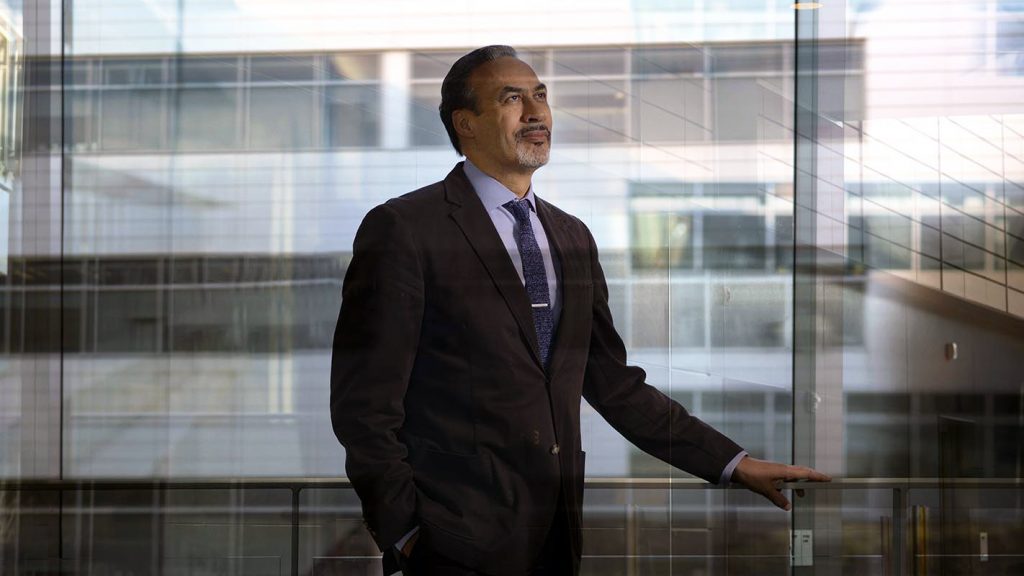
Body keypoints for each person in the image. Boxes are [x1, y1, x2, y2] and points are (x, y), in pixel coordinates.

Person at [331, 45, 830, 576]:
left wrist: (733, 464)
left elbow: (612, 383)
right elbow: (364, 408)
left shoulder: (571, 236)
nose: (535, 112)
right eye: (511, 98)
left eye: (540, 95)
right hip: (446, 544)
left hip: (555, 538)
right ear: (466, 124)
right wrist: (405, 533)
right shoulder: (405, 228)